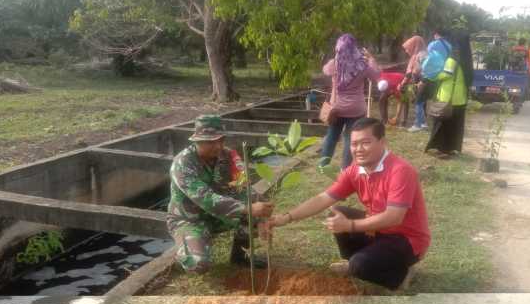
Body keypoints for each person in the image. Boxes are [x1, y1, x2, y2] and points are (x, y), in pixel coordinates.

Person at [268, 118, 430, 291]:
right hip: (378, 231)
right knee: (336, 212)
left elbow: (394, 217)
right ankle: (359, 261)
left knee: (360, 265)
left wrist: (350, 225)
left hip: (407, 239)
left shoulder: (400, 171)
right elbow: (324, 198)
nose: (358, 149)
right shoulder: (355, 170)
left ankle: (401, 274)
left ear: (382, 142)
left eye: (365, 143)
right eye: (354, 144)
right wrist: (287, 217)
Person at [167, 115, 274, 273]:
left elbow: (244, 186)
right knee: (198, 264)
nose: (217, 146)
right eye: (210, 141)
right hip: (189, 220)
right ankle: (184, 252)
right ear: (196, 141)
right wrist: (247, 208)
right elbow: (206, 198)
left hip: (217, 216)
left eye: (221, 140)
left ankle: (240, 257)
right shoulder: (183, 164)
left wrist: (263, 214)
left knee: (254, 213)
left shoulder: (229, 155)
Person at [320, 33, 381, 169]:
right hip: (356, 109)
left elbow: (325, 70)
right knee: (350, 139)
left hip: (336, 109)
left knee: (331, 136)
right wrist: (371, 59)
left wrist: (336, 57)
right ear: (354, 47)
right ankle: (345, 169)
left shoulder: (334, 64)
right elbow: (376, 75)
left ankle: (323, 165)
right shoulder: (362, 65)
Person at [425, 31, 473, 156]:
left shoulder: (453, 58)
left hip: (448, 97)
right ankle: (452, 148)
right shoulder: (467, 61)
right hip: (460, 98)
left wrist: (432, 75)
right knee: (456, 126)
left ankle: (443, 150)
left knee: (442, 124)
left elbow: (446, 75)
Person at [399, 35, 427, 131]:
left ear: (415, 46)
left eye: (408, 48)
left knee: (418, 102)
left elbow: (412, 72)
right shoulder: (423, 54)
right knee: (421, 102)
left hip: (420, 81)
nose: (407, 51)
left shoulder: (419, 55)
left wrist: (402, 83)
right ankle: (423, 123)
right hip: (423, 80)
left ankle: (417, 124)